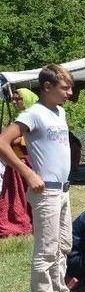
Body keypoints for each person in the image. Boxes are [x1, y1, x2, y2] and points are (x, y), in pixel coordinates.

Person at [0, 65, 78, 292]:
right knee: (45, 250)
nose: (69, 92)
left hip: (63, 190)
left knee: (63, 245)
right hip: (46, 192)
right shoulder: (33, 113)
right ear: (47, 87)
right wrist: (28, 173)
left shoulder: (60, 112)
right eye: (65, 87)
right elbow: (2, 141)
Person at [0, 87, 38, 238]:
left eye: (18, 99)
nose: (15, 102)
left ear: (27, 99)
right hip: (15, 161)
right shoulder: (17, 119)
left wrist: (11, 136)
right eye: (14, 99)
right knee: (14, 195)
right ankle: (14, 221)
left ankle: (27, 220)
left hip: (27, 161)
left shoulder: (34, 117)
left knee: (28, 194)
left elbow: (20, 139)